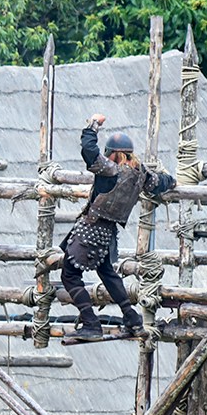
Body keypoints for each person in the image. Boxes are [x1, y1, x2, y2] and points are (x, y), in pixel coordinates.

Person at [61, 114, 177, 341]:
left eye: (109, 154)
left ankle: (91, 323)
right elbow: (161, 183)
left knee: (69, 275)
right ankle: (133, 320)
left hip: (90, 229)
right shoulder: (141, 175)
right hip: (107, 233)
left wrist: (93, 125)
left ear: (114, 153)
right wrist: (172, 180)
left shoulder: (110, 169)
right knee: (108, 274)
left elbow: (89, 151)